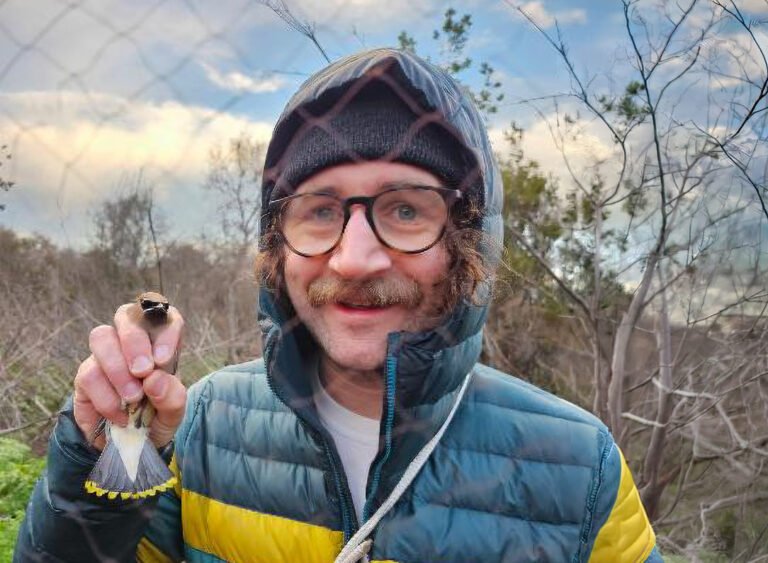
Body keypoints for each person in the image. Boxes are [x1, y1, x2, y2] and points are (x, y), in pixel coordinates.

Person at [15, 48, 662, 562]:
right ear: (277, 243)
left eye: (405, 208)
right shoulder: (205, 424)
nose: (354, 258)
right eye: (320, 210)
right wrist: (111, 445)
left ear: (465, 240)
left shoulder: (579, 468)